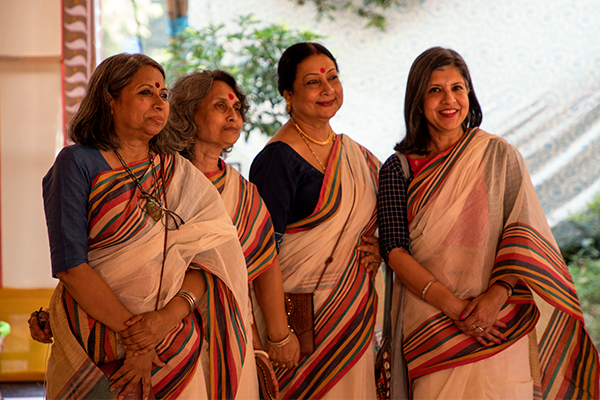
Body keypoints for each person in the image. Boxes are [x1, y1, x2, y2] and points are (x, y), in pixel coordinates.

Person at [378, 46, 599, 399]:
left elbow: (523, 236)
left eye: (457, 88)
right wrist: (456, 309)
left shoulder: (498, 156)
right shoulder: (398, 168)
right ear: (417, 101)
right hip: (433, 330)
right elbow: (393, 250)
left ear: (469, 93)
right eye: (435, 90)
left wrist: (495, 298)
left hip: (500, 322)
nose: (448, 99)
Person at [31, 53, 250, 400]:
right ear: (110, 100)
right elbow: (71, 267)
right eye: (146, 92)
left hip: (174, 342)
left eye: (163, 94)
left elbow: (210, 265)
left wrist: (162, 322)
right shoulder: (77, 163)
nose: (159, 103)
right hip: (95, 342)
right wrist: (138, 339)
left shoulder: (176, 171)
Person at [249, 42, 382, 400]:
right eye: (313, 82)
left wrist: (381, 248)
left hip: (350, 315)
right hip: (297, 325)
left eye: (333, 78)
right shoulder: (277, 160)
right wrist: (278, 334)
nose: (328, 90)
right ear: (288, 94)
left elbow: (389, 216)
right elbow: (261, 256)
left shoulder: (354, 153)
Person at [161, 69, 301, 397]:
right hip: (170, 333)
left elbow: (265, 266)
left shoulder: (246, 194)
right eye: (220, 106)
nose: (233, 115)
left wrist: (279, 336)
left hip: (234, 334)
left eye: (237, 108)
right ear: (188, 113)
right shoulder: (164, 180)